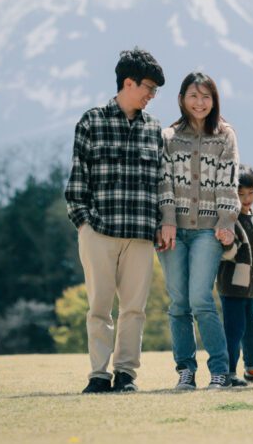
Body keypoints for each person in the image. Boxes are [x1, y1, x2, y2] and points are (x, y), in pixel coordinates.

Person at [64, 47, 166, 394]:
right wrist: (84, 223)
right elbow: (78, 179)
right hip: (99, 232)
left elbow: (162, 182)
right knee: (99, 308)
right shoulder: (91, 121)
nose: (152, 95)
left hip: (140, 234)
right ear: (128, 82)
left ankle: (125, 374)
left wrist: (160, 223)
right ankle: (98, 374)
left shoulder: (154, 130)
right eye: (148, 87)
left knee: (134, 309)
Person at [157, 72, 240, 390]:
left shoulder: (225, 136)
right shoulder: (167, 136)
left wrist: (226, 222)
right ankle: (185, 371)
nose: (200, 102)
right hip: (172, 231)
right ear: (181, 99)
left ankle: (220, 370)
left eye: (206, 96)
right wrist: (167, 219)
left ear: (214, 100)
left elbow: (228, 182)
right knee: (178, 303)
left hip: (209, 231)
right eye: (193, 95)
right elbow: (162, 181)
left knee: (200, 299)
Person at [215, 165, 253, 387]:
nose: (247, 198)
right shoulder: (229, 219)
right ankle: (228, 372)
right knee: (234, 331)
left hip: (251, 287)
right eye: (241, 194)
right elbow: (225, 252)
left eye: (251, 192)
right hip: (232, 286)